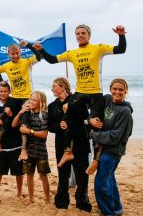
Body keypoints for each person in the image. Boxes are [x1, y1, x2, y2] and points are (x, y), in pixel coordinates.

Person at [35, 24, 127, 169]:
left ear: (89, 35)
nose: (80, 35)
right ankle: (68, 151)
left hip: (95, 93)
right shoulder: (72, 53)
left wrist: (121, 35)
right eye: (77, 33)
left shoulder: (99, 48)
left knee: (96, 123)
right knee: (67, 117)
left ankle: (95, 161)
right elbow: (52, 60)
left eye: (83, 33)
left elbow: (121, 49)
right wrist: (40, 50)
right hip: (80, 92)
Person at [90, 78, 133, 216]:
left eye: (121, 90)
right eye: (115, 89)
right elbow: (94, 105)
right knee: (109, 179)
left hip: (114, 151)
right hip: (103, 147)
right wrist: (91, 119)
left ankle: (107, 212)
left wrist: (95, 135)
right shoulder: (107, 99)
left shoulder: (125, 111)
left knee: (101, 182)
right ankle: (117, 208)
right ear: (110, 89)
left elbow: (115, 136)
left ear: (126, 91)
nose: (117, 92)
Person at [48, 77, 92, 212]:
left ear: (63, 87)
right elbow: (50, 126)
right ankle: (61, 202)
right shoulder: (52, 106)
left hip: (79, 142)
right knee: (63, 175)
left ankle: (82, 203)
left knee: (82, 175)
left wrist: (71, 108)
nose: (52, 89)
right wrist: (59, 125)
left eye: (54, 86)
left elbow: (85, 115)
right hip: (61, 143)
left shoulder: (76, 100)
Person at [0, 40, 42, 153]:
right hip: (14, 96)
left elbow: (39, 56)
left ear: (20, 52)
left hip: (26, 97)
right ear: (8, 54)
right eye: (12, 54)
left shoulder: (27, 61)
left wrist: (29, 45)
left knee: (24, 121)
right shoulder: (6, 66)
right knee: (2, 117)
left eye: (17, 53)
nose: (15, 55)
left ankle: (24, 149)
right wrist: (2, 82)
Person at [0, 82, 24, 197]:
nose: (3, 93)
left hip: (15, 141)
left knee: (18, 171)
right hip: (0, 143)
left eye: (5, 91)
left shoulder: (15, 102)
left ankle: (18, 193)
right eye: (1, 91)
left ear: (9, 92)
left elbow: (20, 120)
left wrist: (11, 114)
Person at [12, 91, 50, 204]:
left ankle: (47, 200)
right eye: (30, 99)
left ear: (41, 101)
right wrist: (20, 113)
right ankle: (31, 198)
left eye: (34, 100)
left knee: (43, 175)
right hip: (28, 149)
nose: (31, 102)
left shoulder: (44, 115)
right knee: (29, 175)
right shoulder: (27, 113)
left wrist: (29, 131)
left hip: (41, 149)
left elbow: (44, 135)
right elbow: (14, 125)